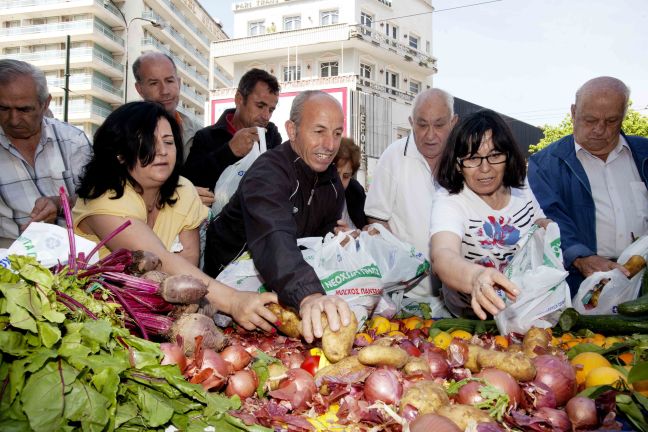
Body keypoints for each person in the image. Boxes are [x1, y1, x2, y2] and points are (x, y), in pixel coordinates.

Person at [72, 101, 278, 332]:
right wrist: (233, 301)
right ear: (120, 154)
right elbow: (159, 257)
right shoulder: (104, 197)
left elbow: (188, 261)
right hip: (96, 319)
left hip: (160, 317)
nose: (162, 151)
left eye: (168, 142)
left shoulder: (182, 190)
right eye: (147, 143)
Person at [204, 90, 351, 343]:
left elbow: (316, 247)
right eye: (319, 131)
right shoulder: (268, 171)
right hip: (228, 293)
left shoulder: (332, 183)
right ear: (292, 130)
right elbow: (274, 236)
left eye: (337, 133)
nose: (330, 145)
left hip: (283, 291)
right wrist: (309, 295)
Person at [528, 77, 648, 293]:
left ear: (623, 116)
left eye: (611, 121)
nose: (599, 129)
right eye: (590, 120)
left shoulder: (644, 154)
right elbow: (550, 218)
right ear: (574, 112)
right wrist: (580, 256)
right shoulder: (546, 164)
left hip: (643, 283)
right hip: (583, 285)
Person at [430, 110, 548, 319]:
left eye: (494, 155)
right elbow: (443, 255)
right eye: (473, 158)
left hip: (523, 310)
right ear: (458, 164)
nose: (485, 168)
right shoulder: (451, 201)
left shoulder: (522, 188)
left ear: (508, 156)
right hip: (470, 316)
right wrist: (476, 277)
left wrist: (548, 229)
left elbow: (538, 223)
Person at [364, 88, 458, 297]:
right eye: (422, 125)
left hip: (460, 293)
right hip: (407, 293)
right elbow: (376, 217)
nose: (430, 135)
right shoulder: (394, 156)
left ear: (453, 122)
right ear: (411, 122)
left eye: (440, 125)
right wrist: (403, 259)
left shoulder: (466, 160)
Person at [0, 59, 91, 247]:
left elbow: (97, 201)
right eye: (3, 109)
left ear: (45, 103)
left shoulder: (74, 142)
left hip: (74, 261)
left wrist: (60, 204)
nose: (14, 120)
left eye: (24, 109)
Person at [182, 68, 283, 207]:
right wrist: (229, 151)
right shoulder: (206, 137)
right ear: (239, 99)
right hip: (215, 223)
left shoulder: (271, 136)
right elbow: (188, 186)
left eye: (271, 110)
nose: (266, 116)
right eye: (260, 106)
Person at [133, 52, 201, 162]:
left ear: (178, 83)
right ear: (139, 89)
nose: (165, 91)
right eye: (154, 83)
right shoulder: (124, 133)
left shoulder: (199, 134)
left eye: (169, 81)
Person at [334, 137, 367, 230]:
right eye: (335, 174)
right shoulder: (314, 194)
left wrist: (364, 232)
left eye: (346, 176)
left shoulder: (356, 191)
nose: (340, 182)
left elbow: (364, 225)